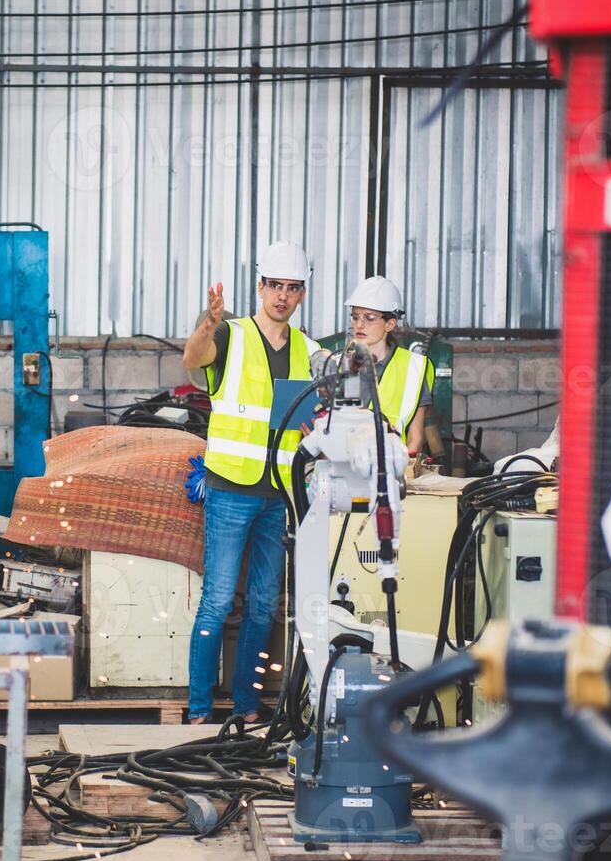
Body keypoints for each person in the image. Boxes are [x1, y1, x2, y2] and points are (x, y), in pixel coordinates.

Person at [181, 241, 321, 725]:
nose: (282, 296)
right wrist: (206, 324)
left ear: (302, 293)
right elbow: (192, 361)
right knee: (217, 602)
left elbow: (319, 410)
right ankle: (199, 708)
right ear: (260, 287)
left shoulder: (308, 350)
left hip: (279, 494)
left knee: (264, 606)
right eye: (275, 286)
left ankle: (245, 705)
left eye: (292, 288)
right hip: (229, 489)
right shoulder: (232, 335)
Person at [346, 276, 434, 458]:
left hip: (389, 472)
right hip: (344, 469)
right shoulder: (339, 365)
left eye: (369, 318)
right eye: (355, 317)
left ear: (390, 324)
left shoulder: (414, 368)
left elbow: (415, 440)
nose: (359, 325)